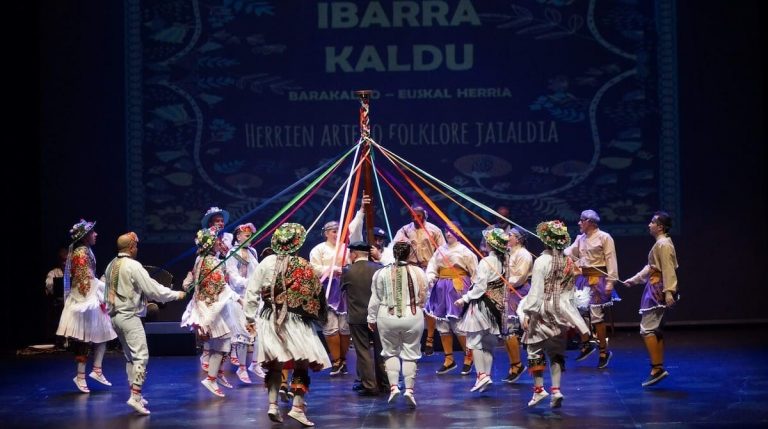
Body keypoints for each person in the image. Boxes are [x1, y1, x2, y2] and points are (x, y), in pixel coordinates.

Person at [244, 223, 330, 426]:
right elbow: (317, 295)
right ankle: (297, 408)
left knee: (275, 364)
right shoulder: (303, 265)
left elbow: (251, 291)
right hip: (296, 320)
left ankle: (273, 404)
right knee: (302, 362)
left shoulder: (265, 263)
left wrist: (249, 318)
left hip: (269, 318)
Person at [103, 232, 187, 415]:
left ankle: (136, 394)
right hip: (129, 316)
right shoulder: (133, 266)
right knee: (141, 356)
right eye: (136, 246)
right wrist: (176, 295)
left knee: (130, 357)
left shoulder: (111, 265)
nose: (137, 249)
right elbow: (153, 289)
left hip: (115, 317)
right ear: (132, 247)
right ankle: (135, 396)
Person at [518, 220, 591, 408]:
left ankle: (539, 390)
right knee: (556, 351)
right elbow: (568, 290)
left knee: (534, 348)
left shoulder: (542, 261)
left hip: (542, 309)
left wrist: (527, 312)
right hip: (560, 309)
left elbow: (536, 291)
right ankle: (556, 390)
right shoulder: (568, 261)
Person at [56, 219, 117, 393]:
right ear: (84, 237)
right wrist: (103, 292)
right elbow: (85, 281)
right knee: (85, 339)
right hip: (83, 300)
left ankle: (96, 370)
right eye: (92, 232)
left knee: (103, 334)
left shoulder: (86, 250)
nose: (96, 234)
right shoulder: (81, 253)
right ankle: (81, 376)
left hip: (90, 297)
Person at [181, 226, 239, 397]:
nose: (219, 244)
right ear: (211, 244)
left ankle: (218, 374)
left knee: (220, 344)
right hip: (212, 307)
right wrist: (238, 298)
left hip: (204, 304)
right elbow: (220, 287)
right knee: (223, 344)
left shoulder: (201, 258)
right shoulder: (212, 262)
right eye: (216, 242)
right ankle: (211, 379)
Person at [368, 241, 428, 407]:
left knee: (390, 352)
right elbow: (425, 294)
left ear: (394, 254)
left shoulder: (381, 273)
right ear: (409, 254)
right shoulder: (419, 272)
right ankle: (409, 390)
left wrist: (371, 318)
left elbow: (375, 298)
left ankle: (394, 387)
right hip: (413, 314)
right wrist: (419, 305)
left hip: (387, 315)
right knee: (411, 352)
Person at [623, 211, 679, 387]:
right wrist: (635, 279)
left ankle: (657, 369)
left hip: (658, 288)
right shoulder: (660, 244)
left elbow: (668, 269)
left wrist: (669, 291)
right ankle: (657, 367)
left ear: (660, 226)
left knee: (647, 329)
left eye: (652, 222)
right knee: (654, 329)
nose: (649, 225)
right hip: (654, 285)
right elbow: (651, 267)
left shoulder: (663, 244)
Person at [455, 228, 509, 393]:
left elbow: (480, 287)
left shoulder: (486, 261)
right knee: (489, 343)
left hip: (482, 304)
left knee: (474, 341)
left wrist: (464, 298)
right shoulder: (505, 260)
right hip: (497, 306)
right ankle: (486, 375)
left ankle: (481, 375)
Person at [564, 209, 620, 368]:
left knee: (596, 316)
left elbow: (611, 259)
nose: (579, 223)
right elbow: (569, 252)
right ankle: (586, 343)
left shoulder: (604, 237)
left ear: (590, 222)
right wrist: (556, 248)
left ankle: (603, 350)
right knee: (577, 312)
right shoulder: (580, 239)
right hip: (583, 279)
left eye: (582, 220)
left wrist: (611, 281)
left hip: (598, 279)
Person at [424, 221, 477, 375]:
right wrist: (431, 277)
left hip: (457, 288)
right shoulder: (440, 250)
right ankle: (449, 359)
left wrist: (471, 294)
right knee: (442, 324)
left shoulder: (465, 251)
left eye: (452, 231)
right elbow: (432, 267)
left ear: (459, 233)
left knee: (458, 324)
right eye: (446, 231)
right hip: (441, 289)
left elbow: (474, 273)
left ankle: (468, 356)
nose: (448, 234)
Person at [393, 204, 445, 355]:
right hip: (410, 269)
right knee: (411, 303)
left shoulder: (434, 230)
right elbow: (396, 246)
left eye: (419, 215)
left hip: (428, 269)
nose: (416, 218)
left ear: (424, 216)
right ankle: (412, 338)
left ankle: (429, 339)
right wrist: (403, 243)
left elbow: (442, 251)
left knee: (428, 304)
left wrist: (436, 270)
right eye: (413, 215)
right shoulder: (404, 230)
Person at [341, 241, 386, 396]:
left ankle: (370, 385)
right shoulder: (380, 269)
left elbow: (343, 289)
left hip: (357, 317)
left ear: (353, 254)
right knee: (382, 350)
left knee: (363, 351)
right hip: (379, 316)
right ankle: (386, 383)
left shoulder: (348, 271)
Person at [309, 220, 350, 376]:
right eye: (333, 231)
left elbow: (352, 264)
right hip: (326, 291)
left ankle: (344, 360)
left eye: (339, 231)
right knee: (331, 327)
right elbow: (314, 268)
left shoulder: (346, 248)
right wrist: (331, 269)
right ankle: (336, 360)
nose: (337, 234)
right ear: (326, 233)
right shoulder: (318, 250)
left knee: (345, 328)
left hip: (344, 290)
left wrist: (344, 270)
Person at [225, 223, 261, 384]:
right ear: (238, 237)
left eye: (251, 235)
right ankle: (241, 367)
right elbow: (233, 277)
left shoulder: (252, 251)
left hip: (254, 296)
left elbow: (257, 271)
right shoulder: (233, 253)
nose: (250, 238)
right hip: (239, 297)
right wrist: (250, 283)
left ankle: (255, 364)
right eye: (247, 235)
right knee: (243, 334)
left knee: (259, 332)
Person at [198, 206, 233, 372]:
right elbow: (202, 252)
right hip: (209, 272)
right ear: (211, 222)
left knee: (224, 317)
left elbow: (228, 254)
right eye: (216, 221)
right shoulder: (204, 236)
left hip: (223, 271)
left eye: (221, 220)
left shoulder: (228, 237)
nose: (220, 223)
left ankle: (221, 358)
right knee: (209, 316)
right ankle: (206, 352)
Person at [503, 227, 533, 383]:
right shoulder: (508, 252)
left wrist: (502, 284)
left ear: (518, 239)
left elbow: (519, 277)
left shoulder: (524, 254)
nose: (507, 237)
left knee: (510, 329)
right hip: (507, 291)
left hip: (518, 292)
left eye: (510, 235)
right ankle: (514, 364)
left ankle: (518, 364)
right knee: (506, 330)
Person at [44, 247, 68, 347]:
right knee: (62, 305)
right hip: (60, 302)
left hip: (74, 300)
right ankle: (62, 339)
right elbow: (49, 288)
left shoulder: (74, 272)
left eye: (66, 260)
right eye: (62, 260)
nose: (64, 263)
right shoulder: (53, 273)